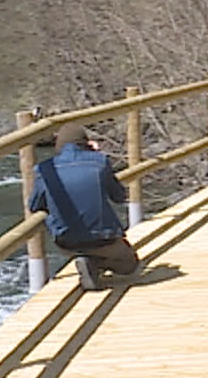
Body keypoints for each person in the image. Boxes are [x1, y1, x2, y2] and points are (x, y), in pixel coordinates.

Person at [28, 123, 138, 291]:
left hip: (66, 241)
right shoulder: (99, 162)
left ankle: (89, 261)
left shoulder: (44, 169)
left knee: (77, 242)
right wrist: (96, 155)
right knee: (131, 265)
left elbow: (34, 205)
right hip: (104, 238)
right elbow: (119, 196)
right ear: (86, 143)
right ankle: (95, 262)